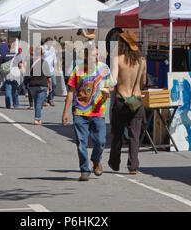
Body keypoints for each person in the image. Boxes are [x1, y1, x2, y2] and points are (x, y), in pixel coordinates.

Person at [62, 43, 115, 181]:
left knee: (101, 141)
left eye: (97, 54)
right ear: (86, 56)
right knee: (81, 142)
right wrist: (65, 112)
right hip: (80, 112)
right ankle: (84, 170)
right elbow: (71, 92)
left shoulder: (104, 68)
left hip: (98, 112)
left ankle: (96, 160)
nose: (96, 57)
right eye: (93, 55)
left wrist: (107, 90)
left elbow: (111, 87)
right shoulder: (78, 70)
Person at [108, 30, 146, 175]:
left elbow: (113, 80)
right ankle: (133, 165)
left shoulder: (117, 59)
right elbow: (143, 82)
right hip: (136, 100)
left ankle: (114, 162)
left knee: (117, 133)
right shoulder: (142, 61)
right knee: (134, 135)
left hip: (121, 100)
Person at [25, 46, 52, 125]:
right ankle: (37, 119)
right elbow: (49, 77)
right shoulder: (44, 62)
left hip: (32, 85)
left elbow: (26, 74)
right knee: (39, 102)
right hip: (42, 85)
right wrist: (50, 86)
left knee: (36, 101)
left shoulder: (30, 61)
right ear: (42, 53)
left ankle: (38, 116)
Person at [42, 38, 58, 107]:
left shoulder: (52, 49)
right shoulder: (42, 48)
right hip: (44, 70)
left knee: (54, 84)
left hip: (51, 70)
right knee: (45, 85)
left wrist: (56, 68)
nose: (50, 44)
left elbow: (54, 59)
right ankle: (44, 100)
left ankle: (50, 99)